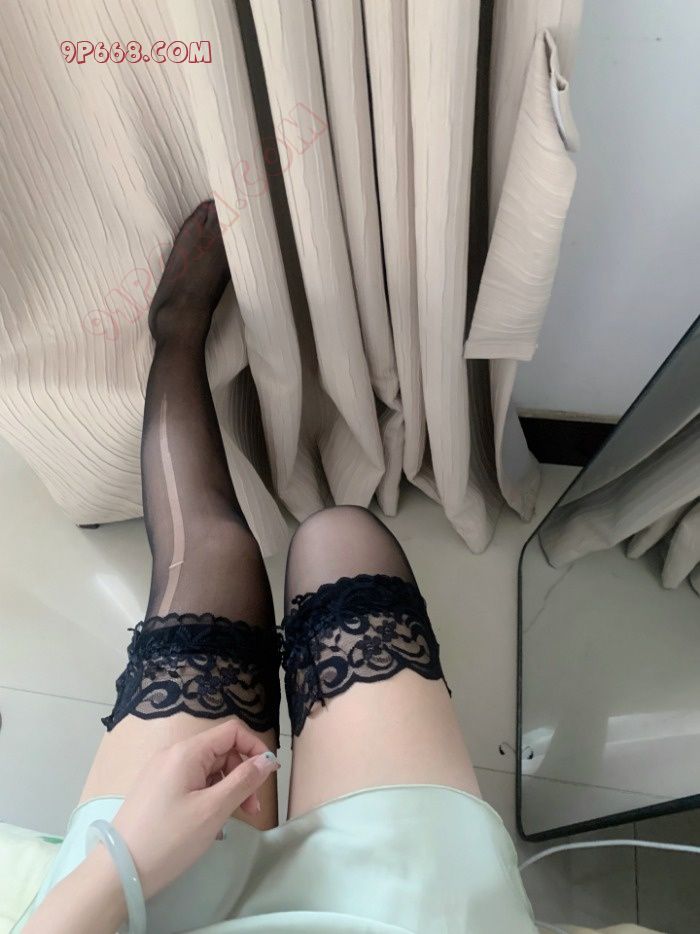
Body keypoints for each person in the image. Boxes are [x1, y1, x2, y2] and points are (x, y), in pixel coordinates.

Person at [17, 203, 537, 933]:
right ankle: (294, 695)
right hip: (406, 911)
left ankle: (176, 333)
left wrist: (123, 863)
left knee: (214, 558)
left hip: (135, 911)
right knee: (339, 537)